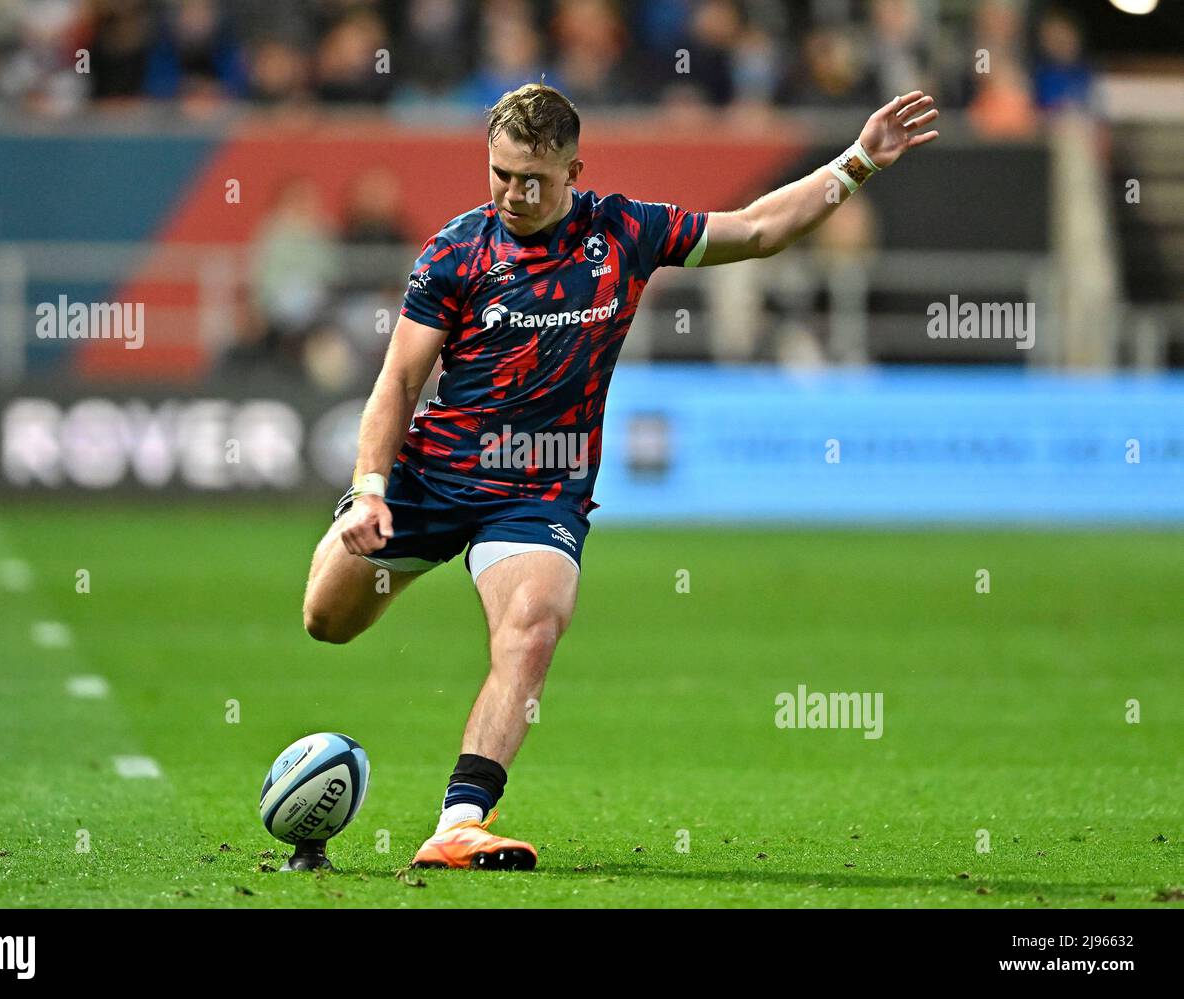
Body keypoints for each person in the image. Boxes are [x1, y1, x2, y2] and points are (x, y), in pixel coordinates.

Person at [301, 82, 938, 869]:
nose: (513, 193)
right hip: (432, 479)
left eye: (533, 178)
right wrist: (368, 487)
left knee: (533, 624)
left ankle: (460, 820)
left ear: (575, 170)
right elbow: (397, 382)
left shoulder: (624, 232)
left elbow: (759, 228)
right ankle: (369, 535)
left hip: (539, 492)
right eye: (499, 173)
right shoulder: (455, 252)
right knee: (326, 621)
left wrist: (860, 160)